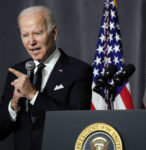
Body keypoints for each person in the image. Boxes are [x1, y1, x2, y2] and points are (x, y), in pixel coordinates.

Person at [0, 5, 92, 150]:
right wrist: (14, 104)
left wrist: (32, 95)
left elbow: (77, 124)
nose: (31, 41)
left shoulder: (79, 71)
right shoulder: (16, 72)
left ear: (54, 33)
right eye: (25, 35)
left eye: (37, 33)